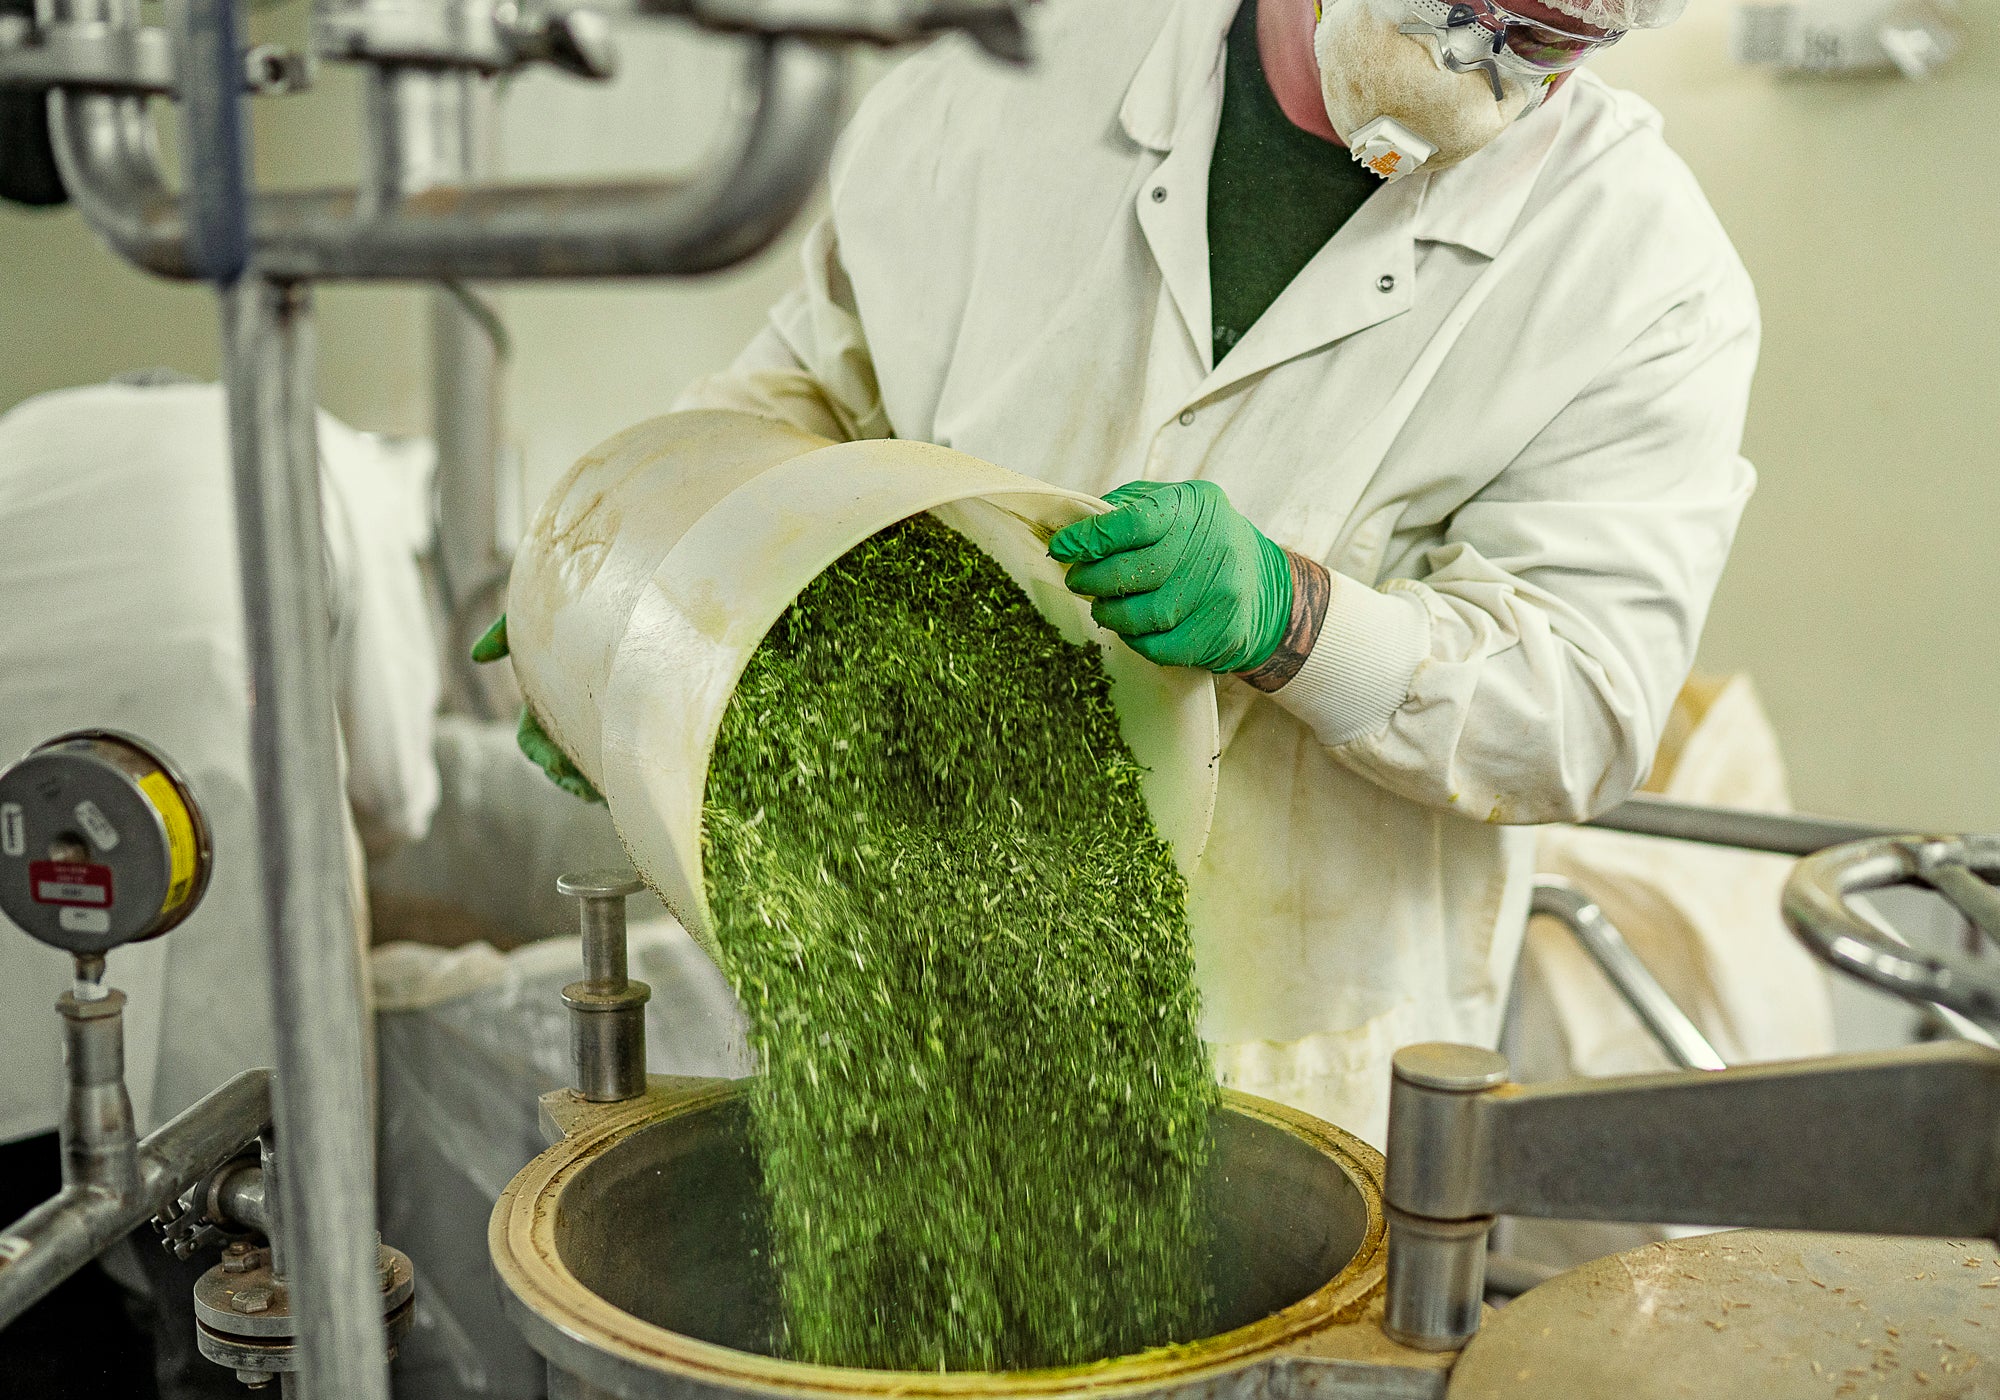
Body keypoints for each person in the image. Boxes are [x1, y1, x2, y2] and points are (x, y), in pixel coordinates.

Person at [504, 0, 1758, 1145]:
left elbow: (1583, 702)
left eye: (1539, 40)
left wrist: (1297, 619)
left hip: (1293, 1062)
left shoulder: (1641, 272)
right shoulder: (997, 88)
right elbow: (804, 396)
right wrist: (636, 601)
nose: (1473, 58)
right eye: (1454, 6)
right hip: (909, 977)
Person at [0, 375, 441, 1397]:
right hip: (206, 880)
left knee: (33, 1309)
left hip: (23, 857)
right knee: (237, 1304)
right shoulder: (325, 455)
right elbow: (394, 788)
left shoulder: (34, 432)